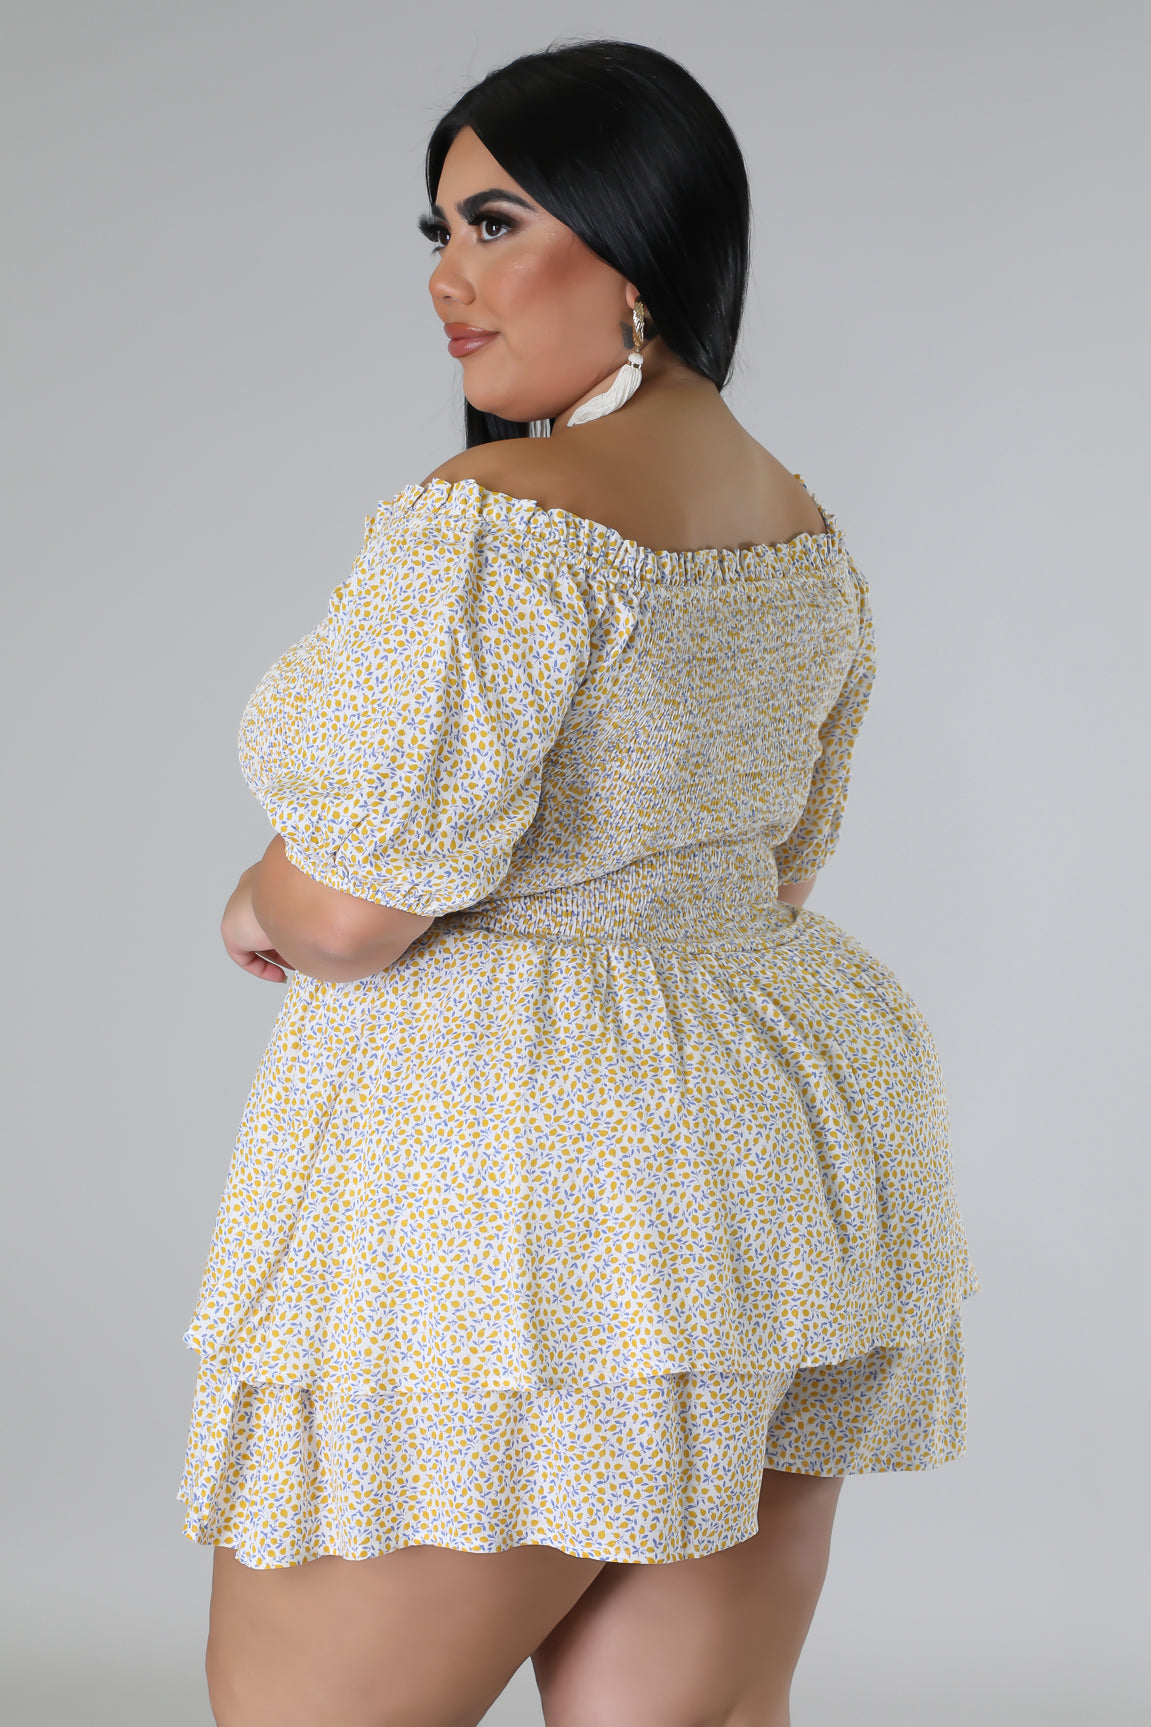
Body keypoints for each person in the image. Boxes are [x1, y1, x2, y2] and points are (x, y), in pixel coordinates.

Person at [180, 39, 977, 1727]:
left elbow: (353, 909)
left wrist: (262, 894)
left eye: (495, 223)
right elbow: (777, 867)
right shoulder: (797, 526)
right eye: (440, 230)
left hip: (527, 1194)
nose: (446, 278)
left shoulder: (499, 519)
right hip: (773, 1163)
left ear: (636, 249)